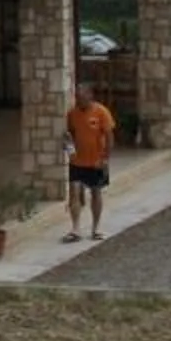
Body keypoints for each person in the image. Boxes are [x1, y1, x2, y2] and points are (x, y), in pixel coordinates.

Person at [65, 83, 117, 241]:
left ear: (90, 95)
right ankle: (75, 229)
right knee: (74, 192)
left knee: (96, 193)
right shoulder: (72, 114)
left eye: (81, 97)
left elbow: (109, 137)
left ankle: (96, 228)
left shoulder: (101, 112)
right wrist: (70, 152)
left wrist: (105, 159)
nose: (78, 100)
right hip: (77, 162)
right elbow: (69, 135)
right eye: (77, 97)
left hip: (96, 161)